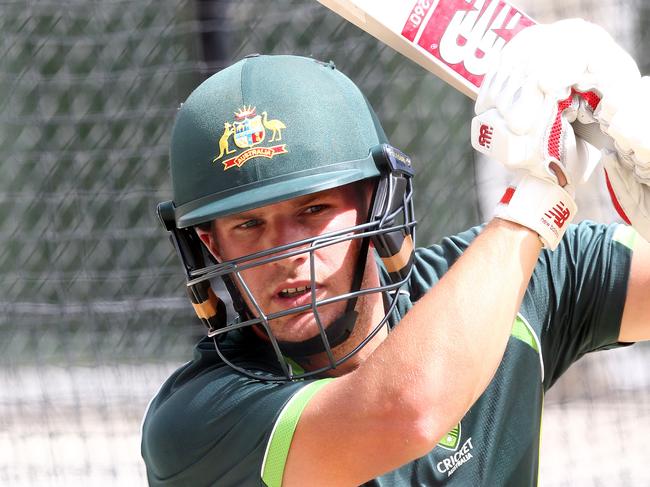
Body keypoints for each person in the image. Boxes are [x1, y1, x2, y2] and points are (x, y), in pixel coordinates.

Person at [141, 20, 650, 486]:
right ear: (208, 245)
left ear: (379, 205)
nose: (285, 252)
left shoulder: (505, 283)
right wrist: (538, 199)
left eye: (314, 209)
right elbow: (406, 410)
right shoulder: (193, 421)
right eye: (248, 224)